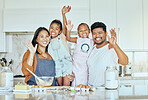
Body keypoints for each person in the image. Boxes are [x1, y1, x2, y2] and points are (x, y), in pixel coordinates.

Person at [87, 22, 128, 87]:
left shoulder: (111, 48)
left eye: (100, 33)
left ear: (106, 34)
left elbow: (125, 62)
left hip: (107, 89)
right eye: (94, 33)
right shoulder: (92, 49)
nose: (97, 36)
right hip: (92, 89)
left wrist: (114, 45)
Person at [48, 6, 74, 86]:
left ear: (60, 31)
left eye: (56, 29)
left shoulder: (61, 37)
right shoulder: (47, 41)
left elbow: (65, 28)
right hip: (57, 66)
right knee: (59, 87)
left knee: (66, 87)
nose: (53, 30)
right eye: (51, 28)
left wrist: (63, 14)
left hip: (67, 64)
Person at [65, 20, 94, 87]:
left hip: (85, 67)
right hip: (76, 66)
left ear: (89, 31)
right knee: (75, 84)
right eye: (81, 31)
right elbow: (68, 38)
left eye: (85, 30)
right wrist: (68, 30)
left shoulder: (92, 41)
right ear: (78, 33)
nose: (83, 32)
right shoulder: (78, 39)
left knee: (84, 84)